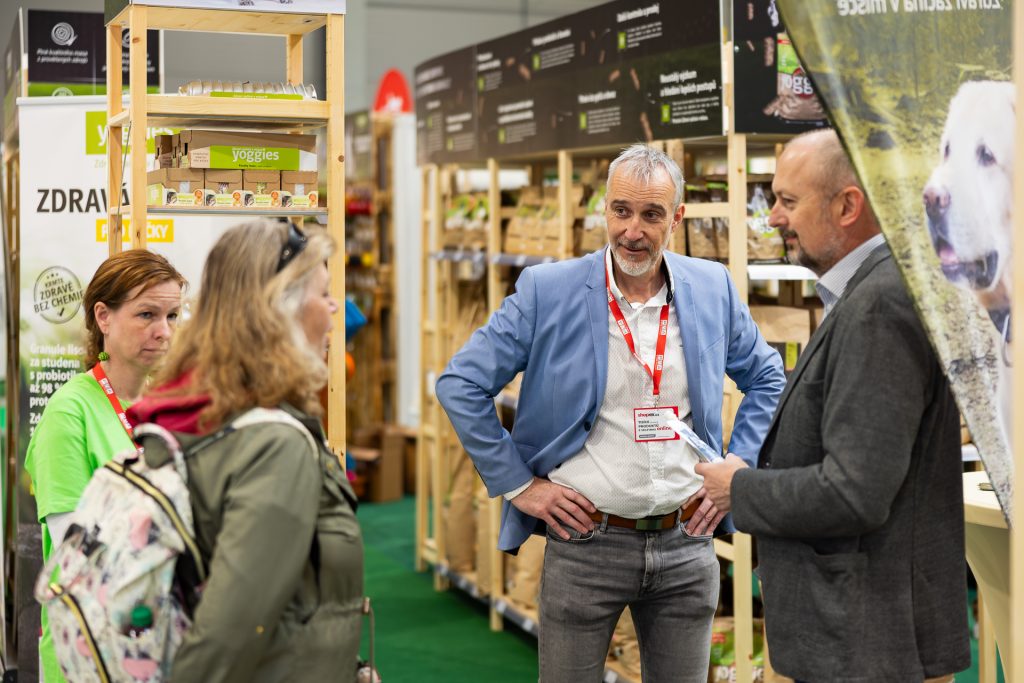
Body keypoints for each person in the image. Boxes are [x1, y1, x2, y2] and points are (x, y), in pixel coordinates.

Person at [436, 144, 786, 682]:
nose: (632, 231)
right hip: (586, 546)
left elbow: (767, 376)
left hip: (687, 544)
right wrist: (520, 485)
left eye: (651, 215)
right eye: (621, 210)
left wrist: (737, 467)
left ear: (677, 219)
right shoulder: (548, 290)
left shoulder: (711, 286)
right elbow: (460, 384)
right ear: (605, 208)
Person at [696, 129, 971, 682]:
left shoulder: (879, 306)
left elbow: (854, 491)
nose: (773, 217)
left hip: (871, 642)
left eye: (787, 201)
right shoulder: (869, 292)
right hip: (861, 636)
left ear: (847, 206)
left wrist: (740, 489)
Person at [126, 220, 364, 682]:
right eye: (323, 293)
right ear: (280, 311)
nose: (336, 307)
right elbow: (227, 637)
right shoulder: (275, 445)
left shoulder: (201, 407)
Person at [25, 249, 185, 683]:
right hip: (89, 655)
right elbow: (77, 551)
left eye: (172, 316)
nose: (163, 331)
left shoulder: (166, 407)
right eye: (147, 314)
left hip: (156, 647)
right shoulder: (69, 413)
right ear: (103, 317)